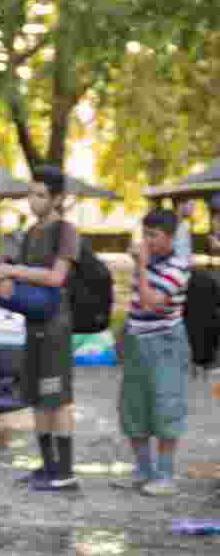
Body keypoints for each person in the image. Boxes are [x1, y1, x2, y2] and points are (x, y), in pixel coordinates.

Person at [0, 165, 81, 492]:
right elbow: (14, 271)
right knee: (37, 397)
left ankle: (65, 472)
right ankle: (48, 466)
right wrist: (6, 277)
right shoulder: (30, 232)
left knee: (57, 398)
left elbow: (57, 277)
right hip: (33, 324)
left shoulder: (66, 231)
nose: (33, 200)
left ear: (57, 198)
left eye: (41, 195)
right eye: (31, 193)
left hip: (56, 325)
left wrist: (14, 272)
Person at [115, 209, 191, 496]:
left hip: (165, 343)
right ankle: (144, 471)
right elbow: (136, 306)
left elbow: (151, 303)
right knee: (133, 407)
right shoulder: (148, 262)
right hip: (138, 341)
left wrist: (142, 266)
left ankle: (166, 475)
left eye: (153, 235)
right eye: (144, 234)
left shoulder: (178, 267)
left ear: (170, 238)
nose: (147, 240)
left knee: (166, 406)